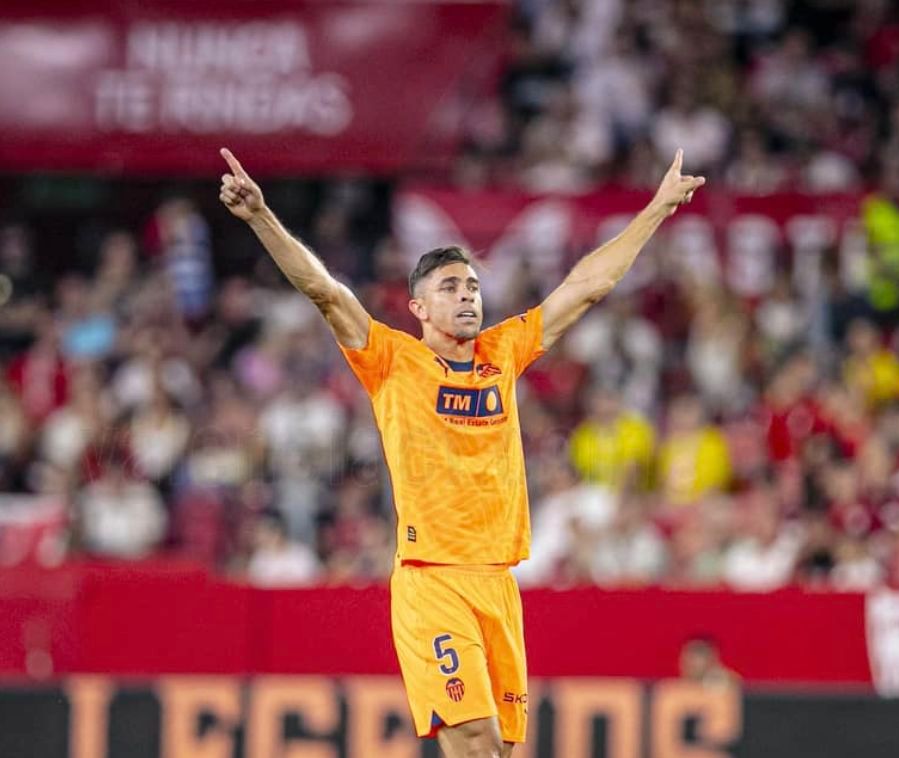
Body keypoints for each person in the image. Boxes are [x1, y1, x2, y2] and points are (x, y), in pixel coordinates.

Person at [218, 146, 703, 757]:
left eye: (473, 285)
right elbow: (325, 290)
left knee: (495, 751)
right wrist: (262, 216)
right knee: (472, 739)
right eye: (451, 287)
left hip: (498, 581)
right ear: (419, 307)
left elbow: (586, 287)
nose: (468, 295)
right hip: (433, 580)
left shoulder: (504, 353)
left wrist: (656, 208)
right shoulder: (393, 360)